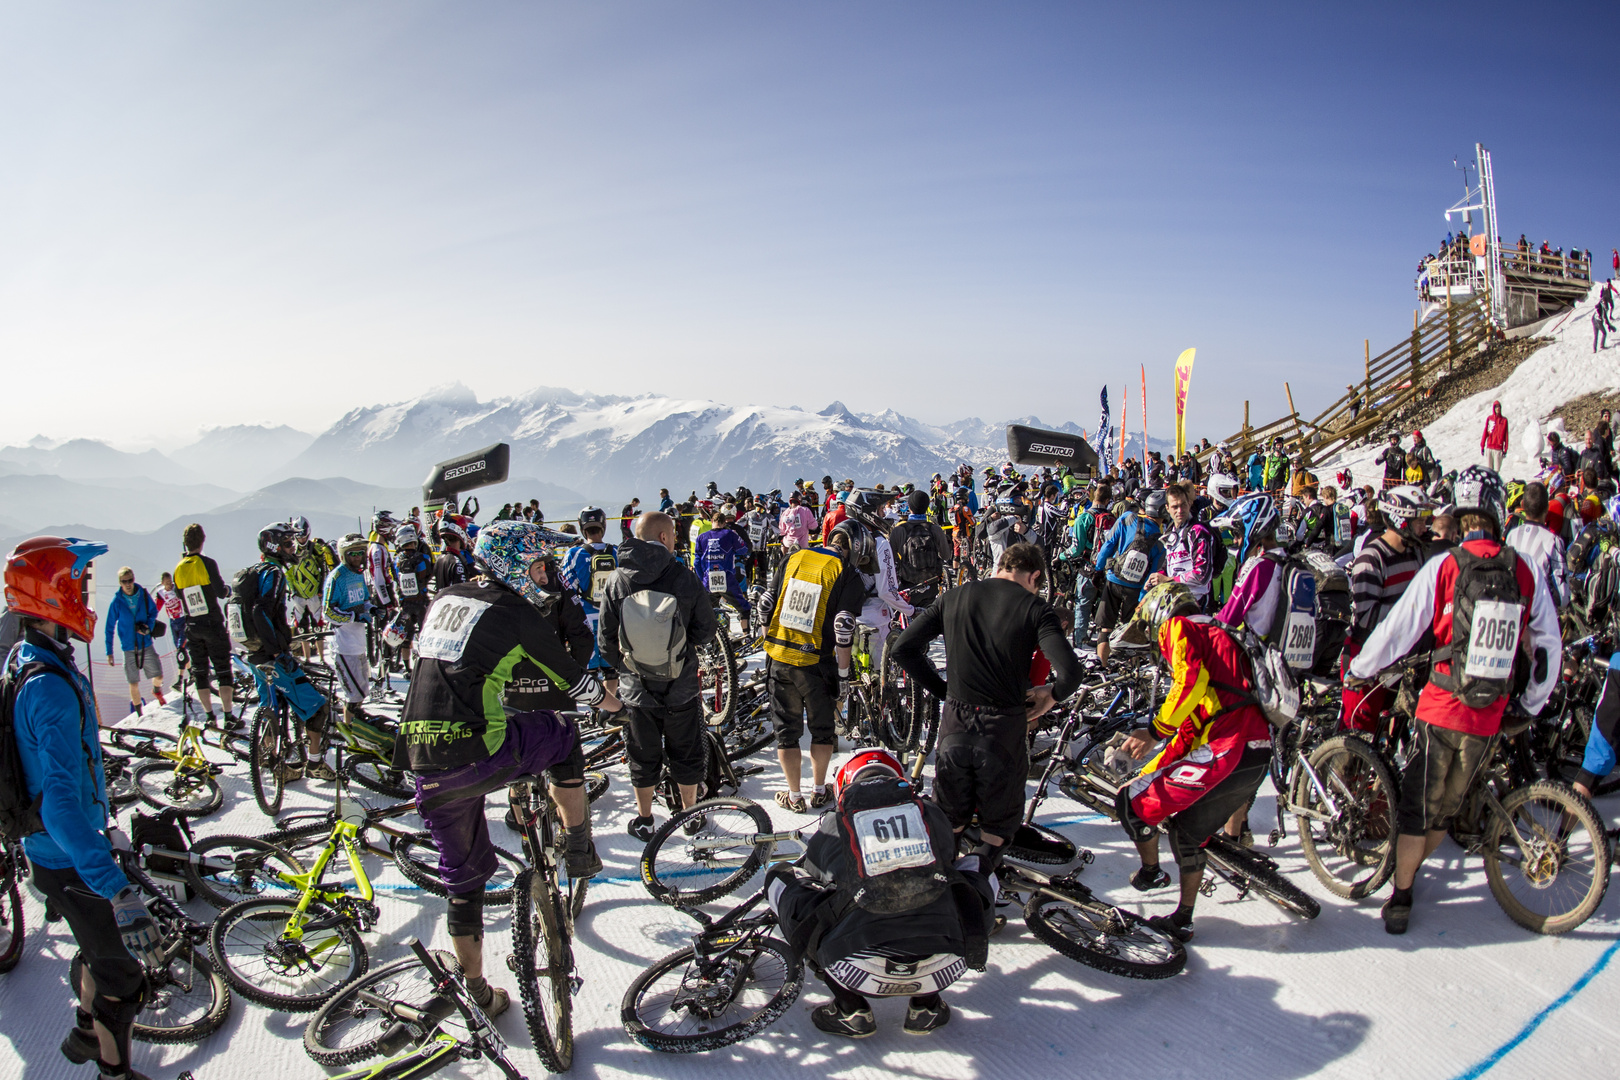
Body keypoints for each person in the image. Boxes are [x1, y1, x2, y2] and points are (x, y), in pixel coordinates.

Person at [395, 520, 623, 1017]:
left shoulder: (448, 597)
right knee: (562, 737)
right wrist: (620, 709)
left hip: (419, 758)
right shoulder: (517, 612)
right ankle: (579, 844)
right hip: (478, 748)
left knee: (463, 881)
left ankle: (476, 989)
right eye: (538, 566)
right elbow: (578, 686)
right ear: (513, 566)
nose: (545, 575)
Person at [1348, 466, 1560, 935]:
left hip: (1441, 705)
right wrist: (1530, 703)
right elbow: (1548, 642)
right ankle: (1414, 872)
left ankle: (1401, 897)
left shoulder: (1444, 566)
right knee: (1447, 806)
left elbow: (1397, 629)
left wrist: (1360, 669)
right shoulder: (1521, 568)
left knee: (1416, 808)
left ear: (1459, 516)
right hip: (1489, 714)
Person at [6, 536, 164, 1080]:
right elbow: (60, 806)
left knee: (97, 952)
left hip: (55, 853)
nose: (88, 597)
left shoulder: (29, 656)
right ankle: (112, 1071)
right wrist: (114, 888)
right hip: (69, 856)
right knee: (123, 977)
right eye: (80, 585)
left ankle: (83, 1029)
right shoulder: (48, 687)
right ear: (53, 595)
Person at [767, 748, 995, 1037]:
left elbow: (812, 876)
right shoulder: (932, 815)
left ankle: (849, 1008)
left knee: (781, 878)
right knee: (973, 866)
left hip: (856, 965)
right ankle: (927, 1005)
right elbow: (951, 860)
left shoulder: (834, 825)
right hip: (949, 959)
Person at [891, 542, 1081, 861]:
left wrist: (944, 691)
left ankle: (949, 889)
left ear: (1001, 566)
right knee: (996, 830)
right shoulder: (1036, 609)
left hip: (955, 725)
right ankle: (979, 888)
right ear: (1034, 576)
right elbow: (1071, 673)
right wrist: (1051, 695)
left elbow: (903, 649)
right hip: (1003, 729)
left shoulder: (954, 597)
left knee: (950, 821)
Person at [1113, 582, 1273, 942]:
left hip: (1229, 748)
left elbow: (1188, 682)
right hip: (1257, 751)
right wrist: (1150, 771)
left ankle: (1152, 872)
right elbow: (1188, 733)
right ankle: (1183, 919)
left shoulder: (1181, 627)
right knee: (1188, 832)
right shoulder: (1224, 638)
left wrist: (1153, 731)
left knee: (1130, 803)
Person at [597, 512, 718, 840]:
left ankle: (646, 820)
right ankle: (690, 816)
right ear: (664, 538)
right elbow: (706, 631)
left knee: (642, 754)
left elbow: (606, 643)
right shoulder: (683, 576)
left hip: (636, 689)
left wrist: (630, 664)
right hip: (680, 685)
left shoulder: (616, 579)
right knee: (686, 752)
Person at [755, 527, 865, 811]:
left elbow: (766, 604)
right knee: (822, 730)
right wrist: (843, 676)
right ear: (851, 549)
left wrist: (770, 642)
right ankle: (818, 790)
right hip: (817, 661)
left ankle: (793, 796)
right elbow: (843, 627)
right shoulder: (846, 571)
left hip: (779, 657)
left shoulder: (793, 557)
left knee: (786, 733)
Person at [236, 522, 336, 782]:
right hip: (271, 656)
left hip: (253, 655)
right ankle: (315, 763)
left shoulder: (255, 571)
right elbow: (261, 611)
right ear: (275, 547)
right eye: (289, 543)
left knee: (271, 704)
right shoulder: (275, 573)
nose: (293, 547)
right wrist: (279, 651)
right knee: (318, 707)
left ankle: (273, 761)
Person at [1341, 487, 1430, 733]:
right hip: (1367, 654)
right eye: (1420, 521)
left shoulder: (1416, 554)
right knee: (1357, 732)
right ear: (1401, 520)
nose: (1425, 527)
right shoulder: (1372, 558)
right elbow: (1367, 618)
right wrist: (1411, 614)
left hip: (1401, 656)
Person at [832, 490, 914, 659]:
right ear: (869, 513)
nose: (884, 514)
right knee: (877, 680)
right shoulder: (879, 542)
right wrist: (911, 610)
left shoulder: (841, 535)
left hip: (841, 617)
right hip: (874, 618)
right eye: (881, 509)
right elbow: (886, 590)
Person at [1092, 490, 1166, 664]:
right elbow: (1152, 574)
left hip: (1113, 580)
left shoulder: (1127, 518)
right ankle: (1131, 673)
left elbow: (1109, 545)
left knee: (1105, 629)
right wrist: (1142, 601)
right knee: (1131, 635)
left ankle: (1101, 666)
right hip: (1135, 590)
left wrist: (1098, 569)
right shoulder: (1161, 541)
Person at [172, 523, 235, 727]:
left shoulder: (178, 569)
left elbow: (178, 594)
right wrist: (228, 590)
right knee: (223, 670)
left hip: (192, 625)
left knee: (200, 672)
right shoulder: (207, 563)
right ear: (202, 541)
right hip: (212, 623)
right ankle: (228, 716)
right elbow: (220, 592)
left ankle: (209, 717)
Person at [560, 507, 621, 691]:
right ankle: (609, 711)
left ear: (582, 527)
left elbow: (566, 585)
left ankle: (595, 709)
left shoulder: (575, 554)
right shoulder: (616, 552)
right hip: (611, 617)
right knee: (611, 670)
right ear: (603, 526)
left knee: (590, 670)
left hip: (585, 618)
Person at [103, 567, 165, 715]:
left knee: (159, 676)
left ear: (134, 579)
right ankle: (139, 714)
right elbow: (109, 627)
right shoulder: (116, 602)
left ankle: (156, 690)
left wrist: (148, 627)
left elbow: (153, 611)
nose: (128, 584)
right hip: (128, 647)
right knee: (133, 683)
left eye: (130, 580)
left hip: (145, 642)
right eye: (124, 581)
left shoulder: (142, 594)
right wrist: (109, 652)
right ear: (120, 583)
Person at [1146, 482, 1216, 610]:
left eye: (1183, 504)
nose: (1180, 510)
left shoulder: (1198, 531)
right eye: (1175, 506)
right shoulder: (1170, 533)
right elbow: (1168, 566)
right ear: (1167, 508)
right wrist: (1156, 579)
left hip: (1196, 602)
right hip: (1175, 600)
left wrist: (1168, 580)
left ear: (1189, 503)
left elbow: (1201, 575)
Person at [1505, 482, 1569, 613]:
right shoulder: (1553, 541)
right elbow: (1563, 596)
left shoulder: (1512, 536)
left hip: (1514, 613)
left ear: (1523, 505)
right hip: (1542, 616)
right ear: (1547, 508)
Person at [890, 490, 952, 609]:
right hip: (931, 586)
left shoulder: (899, 530)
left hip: (907, 588)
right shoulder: (935, 529)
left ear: (910, 507)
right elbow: (946, 556)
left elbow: (890, 561)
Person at [694, 508, 752, 636]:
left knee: (708, 610)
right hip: (726, 577)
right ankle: (746, 635)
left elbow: (696, 562)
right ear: (724, 522)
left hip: (708, 578)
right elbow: (743, 549)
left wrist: (702, 576)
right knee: (744, 608)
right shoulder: (730, 534)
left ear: (711, 521)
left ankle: (710, 639)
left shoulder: (701, 537)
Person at [151, 571, 186, 690]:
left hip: (183, 620)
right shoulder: (161, 593)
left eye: (170, 582)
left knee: (181, 649)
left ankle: (180, 680)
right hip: (173, 622)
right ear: (162, 583)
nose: (169, 585)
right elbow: (156, 608)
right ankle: (191, 672)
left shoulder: (177, 589)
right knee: (179, 649)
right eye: (166, 583)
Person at [433, 519, 472, 594]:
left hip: (441, 602)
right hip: (454, 603)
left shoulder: (439, 558)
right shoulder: (456, 561)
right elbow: (462, 590)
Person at [1480, 401, 1509, 473]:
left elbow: (1506, 435)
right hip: (1489, 447)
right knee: (1489, 470)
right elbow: (1485, 432)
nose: (1498, 408)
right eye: (1496, 407)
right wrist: (1482, 446)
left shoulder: (1504, 420)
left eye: (1499, 407)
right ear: (1494, 408)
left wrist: (1505, 449)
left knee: (1496, 470)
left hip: (1498, 449)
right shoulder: (1490, 419)